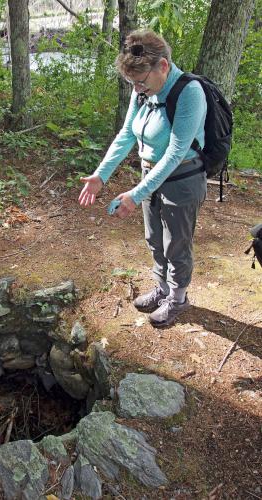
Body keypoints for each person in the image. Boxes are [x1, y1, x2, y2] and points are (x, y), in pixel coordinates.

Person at [78, 29, 207, 328]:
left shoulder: (189, 92)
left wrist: (134, 195)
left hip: (182, 179)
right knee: (154, 239)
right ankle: (161, 287)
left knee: (177, 242)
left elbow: (175, 153)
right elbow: (126, 134)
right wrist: (100, 176)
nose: (137, 91)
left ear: (162, 66)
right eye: (132, 84)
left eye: (141, 83)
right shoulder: (143, 91)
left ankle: (177, 297)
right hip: (150, 175)